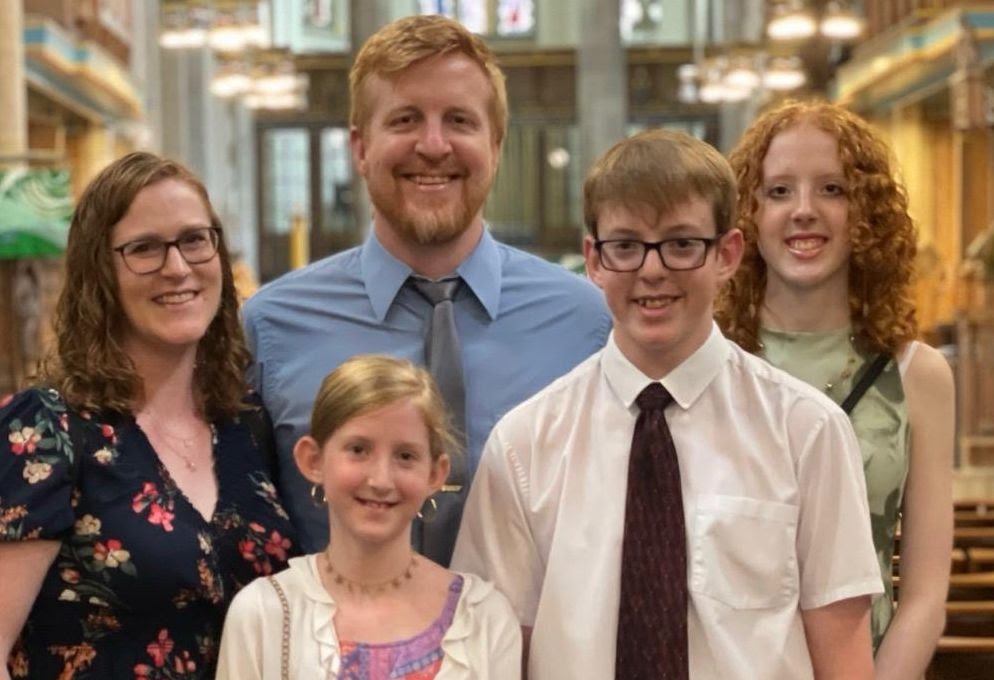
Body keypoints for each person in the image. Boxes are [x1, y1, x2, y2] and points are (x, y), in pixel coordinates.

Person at [452, 129, 884, 679]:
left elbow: (842, 653)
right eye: (626, 245)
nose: (652, 270)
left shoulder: (807, 430)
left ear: (726, 254)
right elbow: (500, 651)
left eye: (682, 244)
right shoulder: (524, 443)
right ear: (594, 260)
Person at [242, 14, 610, 565]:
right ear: (361, 149)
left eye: (459, 120)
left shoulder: (588, 325)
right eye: (406, 119)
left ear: (497, 145)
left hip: (535, 648)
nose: (433, 145)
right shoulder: (270, 330)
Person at [0, 152, 298, 679]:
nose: (178, 267)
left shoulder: (244, 425)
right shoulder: (48, 429)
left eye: (194, 239)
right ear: (100, 273)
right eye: (144, 249)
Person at [716, 99, 954, 678]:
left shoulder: (918, 374)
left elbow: (924, 595)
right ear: (745, 213)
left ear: (868, 212)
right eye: (778, 191)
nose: (804, 211)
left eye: (832, 190)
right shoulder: (710, 361)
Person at [216, 355, 521, 679]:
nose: (380, 480)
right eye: (358, 450)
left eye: (405, 456)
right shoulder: (265, 614)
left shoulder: (484, 620)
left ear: (436, 473)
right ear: (313, 460)